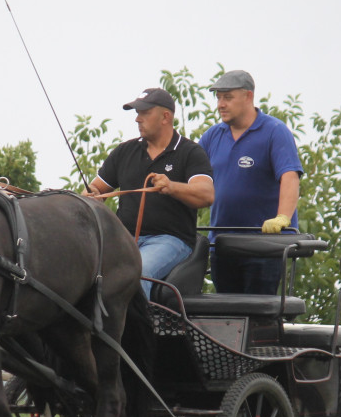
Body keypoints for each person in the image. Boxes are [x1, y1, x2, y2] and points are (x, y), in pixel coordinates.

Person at [86, 87, 214, 297]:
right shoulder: (124, 151)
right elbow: (95, 188)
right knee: (84, 270)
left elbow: (206, 195)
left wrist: (172, 187)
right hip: (123, 238)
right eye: (137, 113)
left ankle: (135, 330)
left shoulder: (190, 152)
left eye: (144, 113)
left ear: (165, 117)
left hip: (170, 240)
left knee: (136, 273)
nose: (137, 119)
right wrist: (90, 194)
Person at [199, 70, 304, 295]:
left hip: (264, 246)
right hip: (223, 245)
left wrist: (282, 217)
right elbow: (193, 179)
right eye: (218, 98)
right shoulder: (212, 136)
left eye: (227, 97)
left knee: (258, 316)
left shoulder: (274, 131)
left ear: (248, 96)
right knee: (229, 318)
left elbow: (290, 177)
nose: (220, 104)